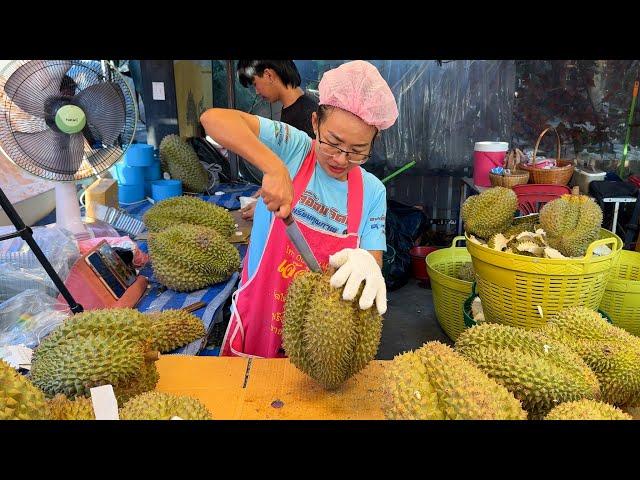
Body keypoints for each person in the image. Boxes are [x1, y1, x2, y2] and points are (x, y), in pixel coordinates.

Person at [200, 60, 398, 358]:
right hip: (262, 314)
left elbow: (372, 261)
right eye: (333, 142)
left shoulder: (372, 191)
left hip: (323, 332)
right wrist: (274, 167)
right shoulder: (293, 147)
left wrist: (368, 265)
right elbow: (213, 119)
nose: (341, 159)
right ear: (316, 123)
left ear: (373, 143)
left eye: (358, 151)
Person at [237, 60, 319, 221]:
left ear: (268, 75)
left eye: (255, 84)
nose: (257, 92)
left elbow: (312, 178)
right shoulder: (290, 108)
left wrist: (264, 209)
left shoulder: (306, 114)